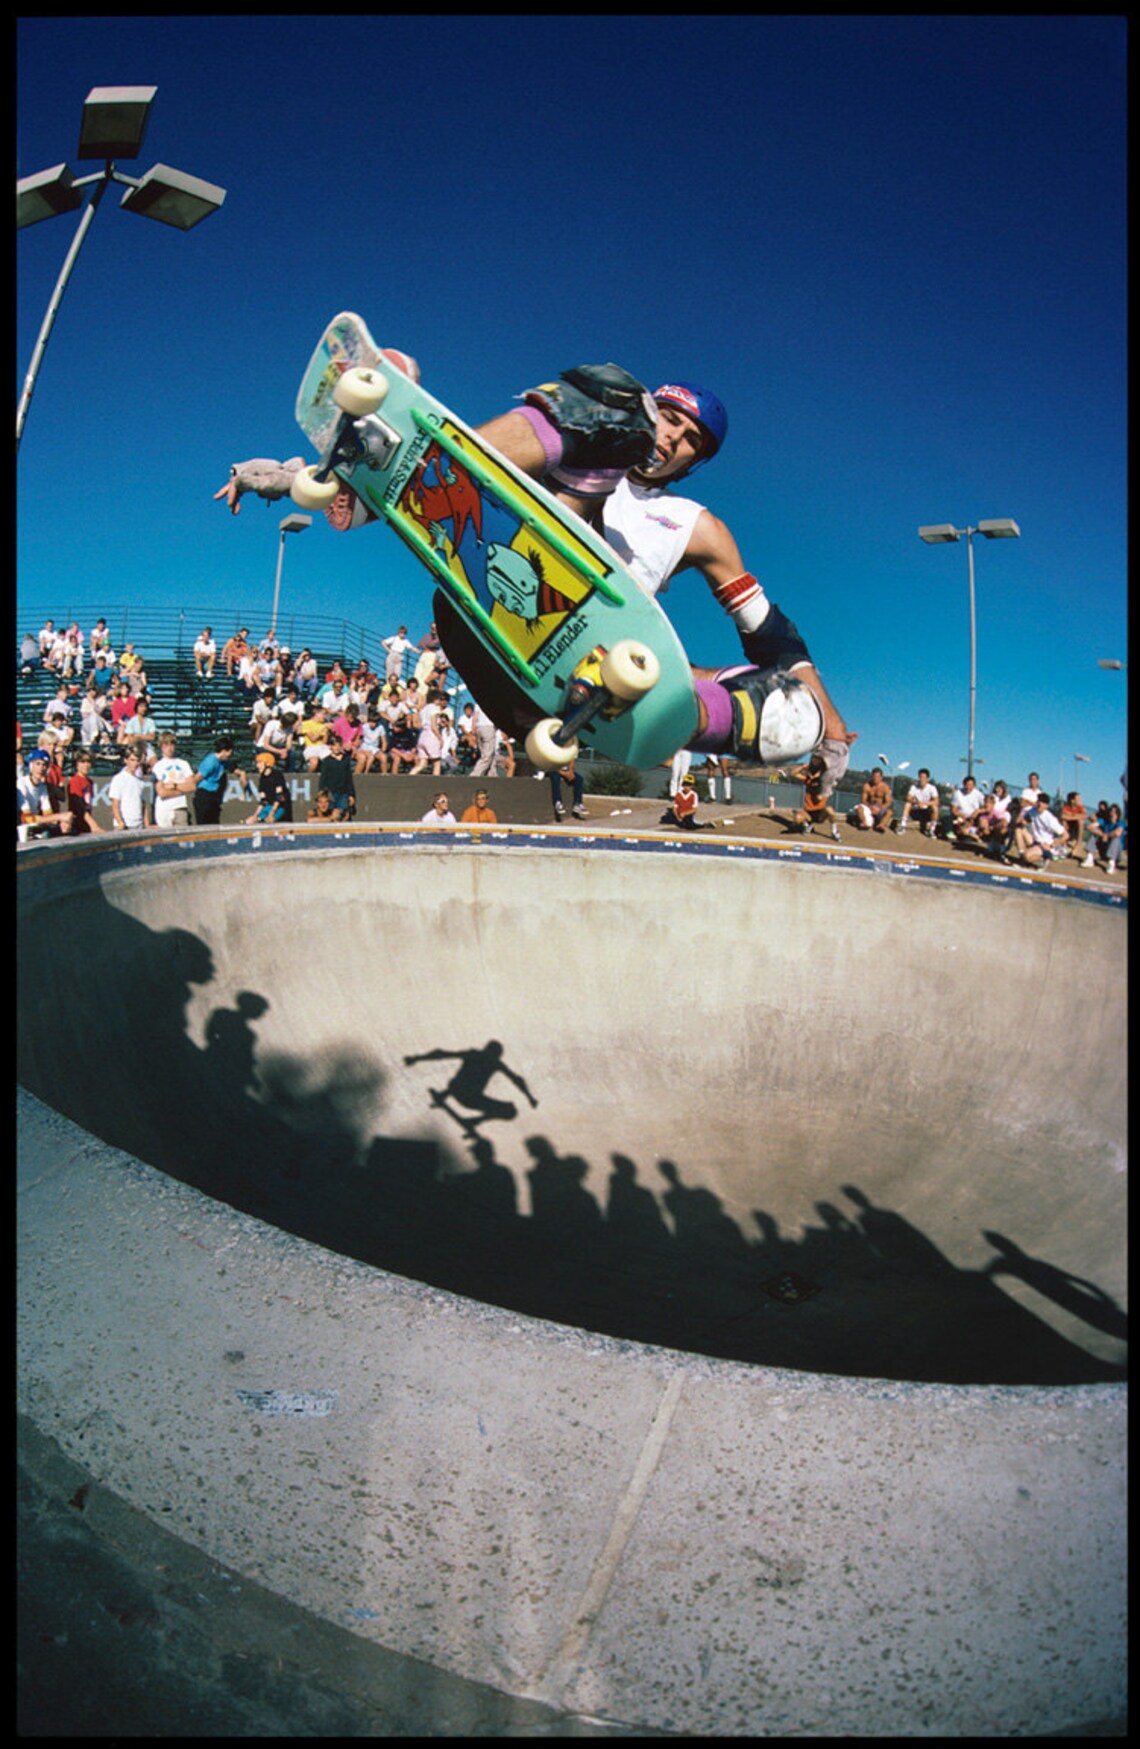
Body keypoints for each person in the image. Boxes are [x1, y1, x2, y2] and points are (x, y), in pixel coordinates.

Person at [216, 362, 849, 779]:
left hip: (589, 670)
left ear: (695, 462)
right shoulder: (612, 443)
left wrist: (828, 725)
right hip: (495, 613)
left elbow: (771, 635)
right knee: (610, 407)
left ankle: (697, 711)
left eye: (690, 441)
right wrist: (283, 478)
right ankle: (376, 459)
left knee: (785, 713)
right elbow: (473, 504)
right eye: (670, 421)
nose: (671, 439)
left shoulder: (697, 526)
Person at [17, 749, 73, 840]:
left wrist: (62, 821)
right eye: (38, 764)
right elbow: (26, 818)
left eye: (44, 765)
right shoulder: (21, 783)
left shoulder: (42, 787)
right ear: (31, 766)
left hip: (33, 827)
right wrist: (59, 816)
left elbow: (48, 814)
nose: (41, 768)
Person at [789, 749, 842, 840]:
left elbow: (820, 796)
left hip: (820, 812)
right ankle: (807, 825)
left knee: (830, 810)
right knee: (797, 818)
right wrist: (803, 767)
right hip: (809, 812)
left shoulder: (825, 781)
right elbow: (793, 773)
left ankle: (834, 831)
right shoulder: (808, 779)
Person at [151, 732, 198, 830]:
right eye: (165, 745)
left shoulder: (183, 764)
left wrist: (174, 785)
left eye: (171, 744)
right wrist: (182, 789)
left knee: (182, 840)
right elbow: (162, 793)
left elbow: (192, 786)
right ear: (161, 746)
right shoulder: (158, 766)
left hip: (180, 807)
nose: (169, 748)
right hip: (163, 809)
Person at [194, 735, 243, 825]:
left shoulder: (222, 761)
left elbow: (231, 767)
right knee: (204, 825)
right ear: (224, 751)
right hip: (205, 795)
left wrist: (241, 774)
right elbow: (197, 778)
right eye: (230, 752)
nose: (230, 755)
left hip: (214, 797)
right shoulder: (211, 762)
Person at [107, 747, 152, 831]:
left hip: (139, 825)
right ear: (126, 760)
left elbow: (143, 804)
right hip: (124, 826)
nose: (135, 763)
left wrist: (146, 824)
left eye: (137, 760)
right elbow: (115, 805)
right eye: (132, 760)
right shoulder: (118, 779)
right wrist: (120, 823)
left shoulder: (140, 781)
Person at [245, 748, 293, 823]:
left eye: (260, 763)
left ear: (267, 763)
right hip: (268, 807)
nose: (257, 766)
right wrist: (255, 816)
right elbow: (263, 801)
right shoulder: (262, 779)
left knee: (269, 821)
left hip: (278, 808)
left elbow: (279, 797)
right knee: (251, 821)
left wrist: (272, 813)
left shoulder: (277, 775)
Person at [318, 733, 356, 820]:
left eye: (339, 746)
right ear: (330, 747)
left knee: (344, 813)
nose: (337, 748)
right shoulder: (326, 761)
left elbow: (349, 778)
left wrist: (351, 794)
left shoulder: (345, 760)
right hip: (331, 792)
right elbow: (323, 778)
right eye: (334, 746)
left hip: (343, 792)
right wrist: (321, 791)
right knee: (332, 814)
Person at [65, 748, 103, 834]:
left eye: (88, 762)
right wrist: (93, 825)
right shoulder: (75, 781)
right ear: (76, 764)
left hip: (85, 823)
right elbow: (79, 807)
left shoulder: (89, 782)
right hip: (76, 824)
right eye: (82, 762)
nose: (86, 765)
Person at [897, 769, 940, 836]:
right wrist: (916, 802)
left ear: (927, 779)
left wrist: (924, 803)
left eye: (923, 778)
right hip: (916, 811)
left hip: (926, 812)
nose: (921, 779)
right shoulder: (914, 787)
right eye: (920, 777)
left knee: (935, 807)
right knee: (907, 804)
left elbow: (936, 801)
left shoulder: (932, 788)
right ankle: (903, 826)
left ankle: (932, 830)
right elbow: (908, 798)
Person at [950, 773, 987, 848]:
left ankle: (974, 835)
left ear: (974, 786)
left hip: (974, 818)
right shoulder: (957, 793)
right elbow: (953, 809)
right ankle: (973, 836)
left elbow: (986, 808)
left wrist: (978, 811)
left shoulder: (978, 794)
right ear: (964, 785)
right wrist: (962, 816)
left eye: (971, 785)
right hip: (961, 817)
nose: (969, 787)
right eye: (967, 785)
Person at [853, 766, 893, 832]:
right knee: (859, 808)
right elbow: (863, 800)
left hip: (880, 808)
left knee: (889, 812)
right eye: (874, 776)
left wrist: (880, 808)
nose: (875, 779)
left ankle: (881, 825)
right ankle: (864, 823)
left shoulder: (885, 787)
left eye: (877, 777)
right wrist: (870, 807)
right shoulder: (867, 786)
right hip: (869, 807)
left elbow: (888, 802)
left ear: (881, 778)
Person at [1060, 791, 1087, 860]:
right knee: (1063, 822)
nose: (1080, 801)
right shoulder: (1065, 807)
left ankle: (1078, 843)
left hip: (1076, 828)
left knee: (1080, 822)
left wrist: (1070, 816)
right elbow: (1063, 816)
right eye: (1078, 799)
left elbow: (1084, 816)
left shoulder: (1080, 807)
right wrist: (1076, 816)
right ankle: (1064, 843)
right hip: (1068, 827)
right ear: (1072, 800)